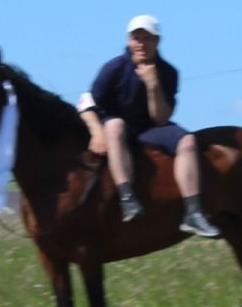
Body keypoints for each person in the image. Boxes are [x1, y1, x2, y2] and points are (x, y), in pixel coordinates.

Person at [78, 14, 220, 238]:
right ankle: (128, 199)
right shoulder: (113, 68)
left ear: (157, 41)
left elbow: (161, 119)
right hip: (116, 126)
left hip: (149, 128)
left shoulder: (169, 72)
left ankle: (193, 212)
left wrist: (153, 85)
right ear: (128, 40)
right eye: (137, 38)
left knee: (187, 140)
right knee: (114, 125)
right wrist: (97, 132)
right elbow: (87, 103)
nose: (141, 43)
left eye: (147, 38)